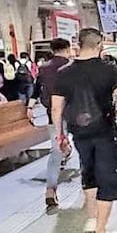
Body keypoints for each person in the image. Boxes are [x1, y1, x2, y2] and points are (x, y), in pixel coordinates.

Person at [52, 28, 117, 233]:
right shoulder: (109, 69)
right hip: (105, 130)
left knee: (88, 172)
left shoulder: (63, 72)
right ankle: (100, 232)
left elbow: (56, 108)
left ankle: (92, 217)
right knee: (108, 177)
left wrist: (60, 135)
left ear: (78, 44)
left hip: (79, 132)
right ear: (99, 45)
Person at [30, 38, 72, 210]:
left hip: (52, 114)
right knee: (86, 147)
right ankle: (88, 186)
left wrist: (30, 106)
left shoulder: (44, 68)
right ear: (67, 49)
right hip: (75, 112)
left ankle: (50, 189)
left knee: (55, 151)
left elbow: (36, 88)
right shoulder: (72, 66)